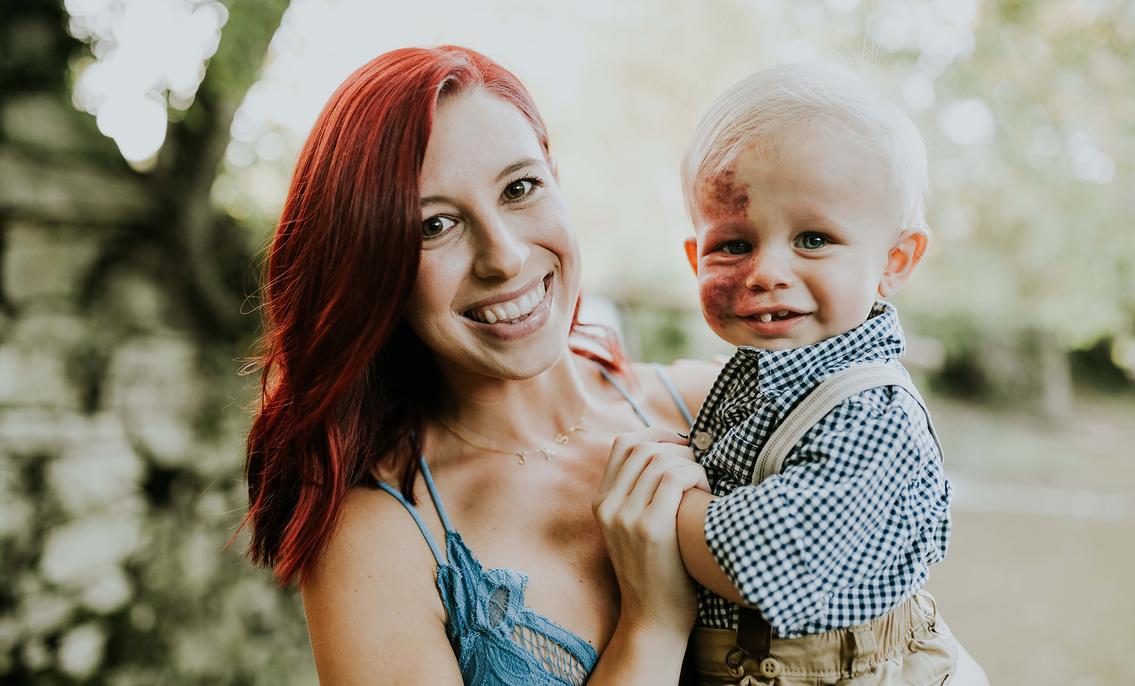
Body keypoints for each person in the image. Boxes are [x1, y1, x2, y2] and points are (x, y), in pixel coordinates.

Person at [240, 46, 719, 684]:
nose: (505, 257)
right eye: (435, 225)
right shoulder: (378, 539)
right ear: (373, 266)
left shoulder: (715, 405)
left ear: (556, 178)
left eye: (520, 189)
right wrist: (652, 622)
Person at [660, 61, 986, 684]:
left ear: (894, 261)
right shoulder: (762, 380)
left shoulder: (872, 416)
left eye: (813, 239)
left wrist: (666, 503)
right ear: (695, 258)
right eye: (733, 245)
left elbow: (761, 561)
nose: (766, 273)